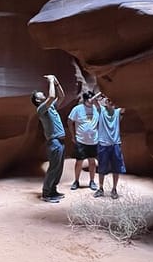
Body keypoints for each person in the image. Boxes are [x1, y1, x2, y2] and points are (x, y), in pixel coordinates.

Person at [31, 74, 67, 203]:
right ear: (38, 100)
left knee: (58, 169)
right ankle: (46, 193)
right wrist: (51, 81)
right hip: (54, 142)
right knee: (53, 169)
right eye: (40, 95)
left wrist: (56, 83)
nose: (43, 94)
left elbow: (61, 96)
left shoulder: (51, 107)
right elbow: (52, 96)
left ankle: (53, 190)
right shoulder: (41, 109)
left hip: (61, 142)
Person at [67, 91, 101, 191]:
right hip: (81, 140)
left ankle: (92, 181)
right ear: (85, 100)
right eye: (89, 100)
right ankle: (76, 181)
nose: (91, 102)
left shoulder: (96, 108)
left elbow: (102, 113)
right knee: (79, 161)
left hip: (93, 140)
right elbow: (69, 121)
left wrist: (96, 101)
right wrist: (73, 136)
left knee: (92, 161)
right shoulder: (77, 109)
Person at [93, 96, 126, 199]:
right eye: (109, 101)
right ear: (106, 102)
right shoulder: (101, 110)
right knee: (102, 168)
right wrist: (100, 95)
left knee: (116, 168)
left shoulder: (117, 112)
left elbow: (126, 104)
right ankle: (101, 188)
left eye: (112, 101)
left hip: (115, 144)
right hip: (103, 144)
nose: (111, 103)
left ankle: (114, 189)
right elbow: (93, 100)